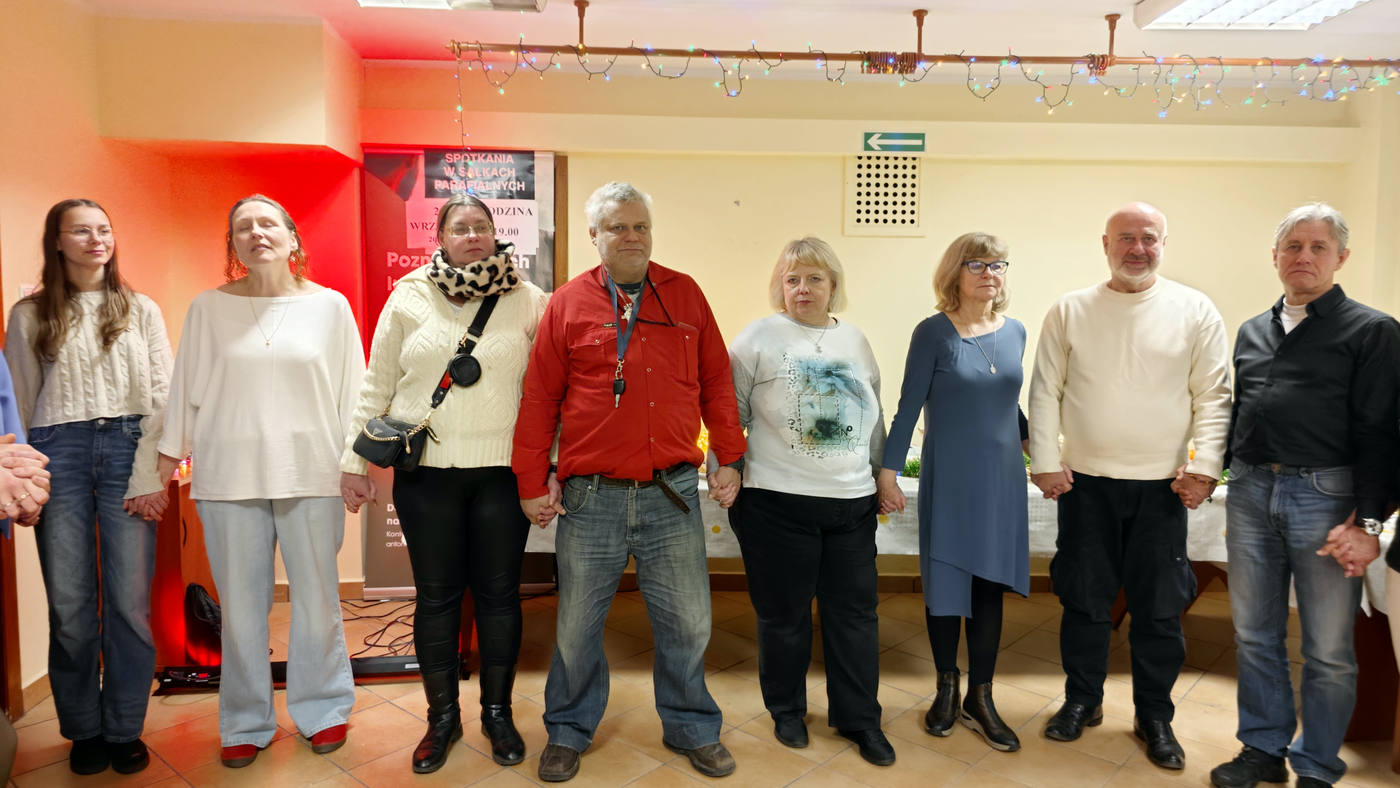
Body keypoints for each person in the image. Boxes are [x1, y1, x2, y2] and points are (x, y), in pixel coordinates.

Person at [512, 181, 746, 783]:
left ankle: (691, 725)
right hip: (591, 499)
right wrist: (531, 480)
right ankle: (568, 729)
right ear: (595, 235)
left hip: (672, 494)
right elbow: (539, 398)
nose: (632, 237)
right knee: (576, 628)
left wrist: (729, 454)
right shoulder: (567, 304)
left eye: (640, 226)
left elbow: (717, 382)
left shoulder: (685, 294)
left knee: (688, 622)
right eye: (618, 227)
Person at [340, 193, 548, 773]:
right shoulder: (408, 295)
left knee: (499, 597)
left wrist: (548, 466)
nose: (473, 235)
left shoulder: (529, 300)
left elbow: (547, 394)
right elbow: (377, 382)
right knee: (436, 598)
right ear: (441, 238)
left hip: (501, 475)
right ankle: (442, 719)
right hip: (425, 474)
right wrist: (353, 462)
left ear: (495, 234)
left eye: (482, 226)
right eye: (461, 227)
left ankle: (498, 714)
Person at [157, 195, 364, 769]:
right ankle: (246, 721)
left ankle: (323, 708)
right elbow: (184, 393)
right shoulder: (208, 308)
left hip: (312, 473)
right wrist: (162, 467)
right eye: (243, 227)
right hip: (229, 477)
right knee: (242, 609)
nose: (256, 233)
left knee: (318, 600)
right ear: (234, 245)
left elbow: (355, 393)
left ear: (293, 238)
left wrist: (356, 465)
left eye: (267, 223)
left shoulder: (331, 307)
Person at [1028, 202, 1231, 771]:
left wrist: (1205, 467)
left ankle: (1155, 715)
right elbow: (1044, 390)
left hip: (1162, 488)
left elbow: (1214, 396)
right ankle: (1082, 700)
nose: (1137, 249)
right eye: (1125, 238)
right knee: (1084, 600)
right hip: (1085, 484)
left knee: (1160, 608)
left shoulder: (1195, 309)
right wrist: (1045, 460)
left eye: (1149, 238)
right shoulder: (1070, 309)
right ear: (1105, 244)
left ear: (1163, 243)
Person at [1210, 203, 1400, 788]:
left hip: (1326, 497)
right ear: (1275, 256)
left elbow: (1383, 432)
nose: (1304, 257)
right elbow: (1240, 413)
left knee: (1328, 646)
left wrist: (1369, 524)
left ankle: (1317, 763)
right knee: (1254, 634)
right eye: (1293, 246)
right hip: (1249, 490)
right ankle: (1262, 749)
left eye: (1319, 247)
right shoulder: (1252, 330)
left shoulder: (1372, 331)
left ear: (1341, 258)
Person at [5, 198, 170, 775]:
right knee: (71, 607)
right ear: (57, 241)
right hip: (58, 453)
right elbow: (19, 407)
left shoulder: (140, 308)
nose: (96, 239)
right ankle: (83, 731)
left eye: (104, 229)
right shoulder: (29, 315)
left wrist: (152, 474)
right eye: (81, 231)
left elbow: (163, 397)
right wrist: (24, 483)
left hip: (128, 450)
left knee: (128, 605)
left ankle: (124, 728)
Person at [726, 236, 896, 765]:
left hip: (851, 504)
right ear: (780, 286)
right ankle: (787, 711)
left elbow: (874, 414)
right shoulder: (757, 337)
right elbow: (730, 414)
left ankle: (859, 719)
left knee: (855, 616)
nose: (803, 288)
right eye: (792, 279)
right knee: (785, 617)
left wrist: (881, 474)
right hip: (776, 504)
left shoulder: (856, 341)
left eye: (814, 278)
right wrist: (723, 467)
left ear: (832, 285)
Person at [881, 232, 1029, 753]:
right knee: (946, 583)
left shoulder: (1016, 332)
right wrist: (888, 473)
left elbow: (1010, 404)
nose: (990, 273)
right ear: (955, 273)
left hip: (1002, 480)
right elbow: (908, 406)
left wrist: (1044, 457)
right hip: (950, 478)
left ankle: (980, 697)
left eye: (998, 264)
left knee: (989, 585)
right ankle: (946, 686)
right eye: (976, 264)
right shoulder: (933, 333)